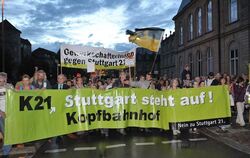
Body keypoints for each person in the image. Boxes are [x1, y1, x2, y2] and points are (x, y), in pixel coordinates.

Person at [0, 72, 13, 156]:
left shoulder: (9, 87)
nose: (2, 81)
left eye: (4, 79)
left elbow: (16, 96)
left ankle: (6, 153)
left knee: (7, 134)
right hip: (1, 113)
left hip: (6, 115)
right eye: (1, 79)